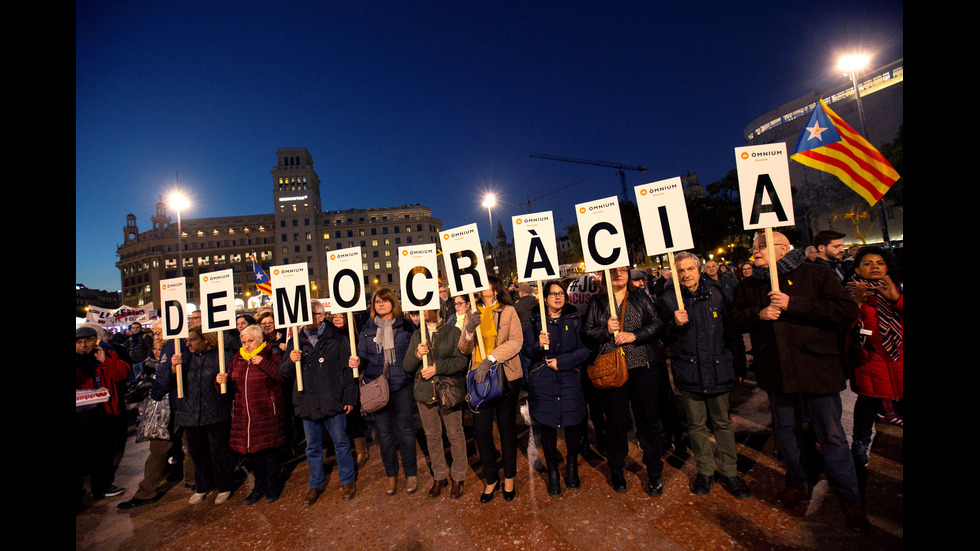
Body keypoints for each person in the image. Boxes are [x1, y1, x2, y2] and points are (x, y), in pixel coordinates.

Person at [730, 231, 869, 533]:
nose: (754, 252)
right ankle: (796, 483)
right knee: (787, 434)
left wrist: (794, 304)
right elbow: (735, 319)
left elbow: (845, 310)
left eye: (760, 247)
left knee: (831, 437)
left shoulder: (815, 274)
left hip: (816, 370)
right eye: (755, 247)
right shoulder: (750, 284)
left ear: (781, 249)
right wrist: (760, 313)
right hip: (776, 372)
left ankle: (850, 499)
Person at [659, 252, 749, 499]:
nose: (686, 274)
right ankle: (705, 471)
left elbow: (732, 333)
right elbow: (664, 339)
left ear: (699, 270)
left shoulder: (718, 294)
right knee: (697, 425)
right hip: (689, 372)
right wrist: (673, 324)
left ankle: (730, 471)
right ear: (675, 274)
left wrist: (740, 366)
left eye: (690, 269)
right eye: (681, 270)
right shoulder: (668, 299)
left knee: (722, 423)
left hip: (718, 369)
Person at [581, 265, 666, 496]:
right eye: (613, 271)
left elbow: (658, 324)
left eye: (623, 270)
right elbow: (586, 332)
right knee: (615, 423)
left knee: (648, 421)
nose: (619, 274)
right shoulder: (597, 302)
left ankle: (655, 470)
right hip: (612, 370)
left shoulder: (640, 297)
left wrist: (635, 335)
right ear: (605, 276)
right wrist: (605, 330)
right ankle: (616, 468)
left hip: (643, 369)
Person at [281, 300, 358, 506]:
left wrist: (350, 397)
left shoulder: (337, 339)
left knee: (341, 443)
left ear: (322, 316)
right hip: (308, 403)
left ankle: (347, 480)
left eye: (312, 314)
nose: (307, 319)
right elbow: (284, 373)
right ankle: (315, 484)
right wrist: (290, 359)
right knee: (313, 447)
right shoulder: (295, 342)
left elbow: (347, 370)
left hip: (333, 400)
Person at [459, 275, 524, 503]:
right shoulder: (472, 312)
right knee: (482, 431)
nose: (480, 287)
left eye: (485, 283)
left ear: (495, 289)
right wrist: (468, 330)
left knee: (506, 427)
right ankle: (491, 478)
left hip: (505, 375)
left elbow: (516, 342)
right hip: (480, 380)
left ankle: (508, 477)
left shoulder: (508, 311)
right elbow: (464, 349)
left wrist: (491, 358)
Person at [523, 281, 589, 497]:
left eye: (561, 293)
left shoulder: (574, 318)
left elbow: (584, 350)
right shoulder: (534, 320)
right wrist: (537, 345)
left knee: (573, 425)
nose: (558, 297)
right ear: (544, 298)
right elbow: (527, 352)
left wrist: (563, 362)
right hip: (543, 381)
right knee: (548, 427)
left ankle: (571, 468)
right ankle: (552, 471)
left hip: (569, 378)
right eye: (553, 294)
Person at [353, 288, 418, 495]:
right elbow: (363, 355)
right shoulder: (367, 328)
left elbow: (412, 355)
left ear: (393, 303)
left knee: (406, 432)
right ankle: (391, 475)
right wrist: (358, 362)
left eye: (384, 301)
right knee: (385, 435)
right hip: (377, 387)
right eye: (377, 301)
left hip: (401, 386)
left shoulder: (405, 326)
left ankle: (411, 474)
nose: (380, 304)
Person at [161, 327, 235, 504]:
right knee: (197, 453)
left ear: (206, 340)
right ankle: (202, 486)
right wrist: (173, 368)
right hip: (190, 414)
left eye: (192, 340)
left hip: (216, 411)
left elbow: (233, 384)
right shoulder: (185, 359)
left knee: (219, 452)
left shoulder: (222, 357)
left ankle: (224, 486)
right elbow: (169, 384)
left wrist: (226, 381)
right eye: (187, 341)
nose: (188, 344)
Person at [845, 247, 903, 467]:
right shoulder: (850, 291)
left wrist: (896, 298)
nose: (875, 267)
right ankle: (860, 443)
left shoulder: (896, 288)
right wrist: (857, 304)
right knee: (867, 404)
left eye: (879, 262)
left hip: (898, 357)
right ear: (858, 268)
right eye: (868, 263)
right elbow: (843, 326)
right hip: (870, 359)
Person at [216, 324, 287, 504]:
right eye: (244, 342)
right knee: (255, 456)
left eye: (250, 341)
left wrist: (262, 362)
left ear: (260, 340)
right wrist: (220, 382)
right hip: (245, 416)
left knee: (270, 454)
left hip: (266, 413)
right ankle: (258, 487)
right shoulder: (237, 360)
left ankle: (273, 486)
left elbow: (281, 376)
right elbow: (229, 388)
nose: (247, 345)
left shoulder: (272, 355)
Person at [404, 308, 469, 499]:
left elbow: (461, 361)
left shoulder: (453, 332)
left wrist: (437, 368)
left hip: (448, 392)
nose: (421, 311)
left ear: (437, 309)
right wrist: (417, 354)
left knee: (455, 434)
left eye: (425, 307)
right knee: (432, 436)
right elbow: (407, 366)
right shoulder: (417, 334)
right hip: (424, 393)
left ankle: (458, 476)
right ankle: (439, 475)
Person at [76, 325, 132, 506]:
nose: (83, 345)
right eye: (78, 342)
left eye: (87, 341)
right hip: (81, 417)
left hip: (105, 413)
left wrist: (104, 361)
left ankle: (102, 487)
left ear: (96, 341)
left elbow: (123, 373)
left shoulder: (107, 355)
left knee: (104, 453)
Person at [331, 312, 370, 469]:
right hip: (336, 381)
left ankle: (361, 450)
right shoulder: (330, 335)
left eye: (341, 316)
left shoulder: (354, 335)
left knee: (354, 416)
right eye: (335, 317)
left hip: (351, 380)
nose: (337, 319)